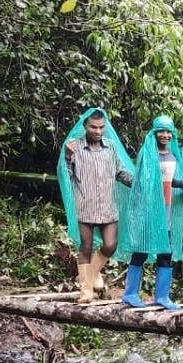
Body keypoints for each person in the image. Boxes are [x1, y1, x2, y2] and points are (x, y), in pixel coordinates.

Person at [116, 115, 183, 309]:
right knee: (141, 252)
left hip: (167, 211)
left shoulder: (173, 155)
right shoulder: (148, 152)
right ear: (154, 133)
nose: (165, 135)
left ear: (173, 134)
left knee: (166, 254)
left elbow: (169, 180)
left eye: (168, 131)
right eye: (161, 131)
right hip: (148, 211)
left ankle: (162, 297)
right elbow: (142, 181)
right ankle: (129, 294)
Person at [57, 108, 134, 303]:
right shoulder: (74, 147)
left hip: (107, 205)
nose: (98, 131)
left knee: (110, 246)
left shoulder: (110, 147)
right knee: (86, 246)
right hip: (84, 206)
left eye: (101, 127)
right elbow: (65, 176)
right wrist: (67, 156)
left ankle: (87, 278)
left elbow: (120, 173)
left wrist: (136, 181)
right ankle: (86, 292)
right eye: (93, 127)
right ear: (85, 126)